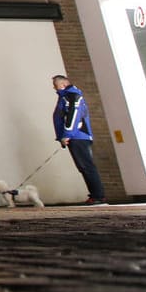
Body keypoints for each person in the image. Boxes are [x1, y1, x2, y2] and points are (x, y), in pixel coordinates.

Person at [53, 74, 106, 204]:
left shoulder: (72, 95)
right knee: (83, 166)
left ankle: (98, 196)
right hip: (75, 136)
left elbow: (73, 116)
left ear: (63, 84)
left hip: (78, 136)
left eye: (56, 85)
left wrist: (67, 135)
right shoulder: (66, 96)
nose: (54, 88)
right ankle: (95, 195)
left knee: (86, 166)